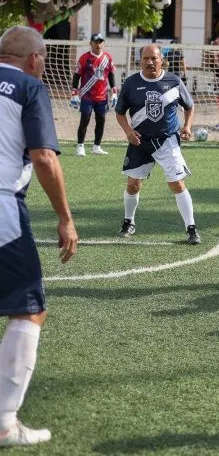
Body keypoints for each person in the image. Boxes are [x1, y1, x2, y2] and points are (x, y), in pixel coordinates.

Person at [0, 26, 78, 448]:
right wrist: (65, 217)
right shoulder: (29, 87)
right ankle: (5, 422)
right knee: (29, 308)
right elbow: (44, 157)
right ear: (34, 59)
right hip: (2, 207)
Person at [115, 44, 200, 245]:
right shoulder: (131, 83)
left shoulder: (174, 81)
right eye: (146, 58)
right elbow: (119, 113)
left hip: (167, 141)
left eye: (154, 58)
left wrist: (187, 126)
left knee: (177, 184)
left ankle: (191, 228)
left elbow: (189, 106)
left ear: (161, 60)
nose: (150, 62)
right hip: (139, 141)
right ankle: (129, 222)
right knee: (133, 185)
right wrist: (128, 131)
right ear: (140, 61)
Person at [71, 33, 117, 156]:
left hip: (102, 96)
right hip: (87, 95)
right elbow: (76, 76)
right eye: (96, 42)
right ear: (90, 43)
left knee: (101, 120)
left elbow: (111, 75)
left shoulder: (108, 58)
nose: (98, 44)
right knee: (85, 119)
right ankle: (80, 146)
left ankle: (97, 146)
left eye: (101, 42)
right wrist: (74, 93)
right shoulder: (84, 58)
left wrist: (114, 92)